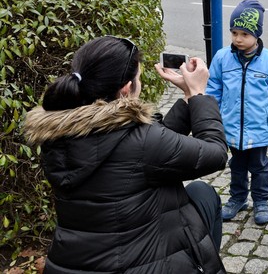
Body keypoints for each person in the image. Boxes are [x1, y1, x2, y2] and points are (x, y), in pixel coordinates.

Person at [23, 36, 228, 273]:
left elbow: (150, 147)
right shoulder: (141, 142)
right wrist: (199, 95)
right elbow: (215, 152)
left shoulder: (59, 130)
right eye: (138, 78)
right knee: (203, 192)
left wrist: (187, 99)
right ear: (126, 89)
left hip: (73, 263)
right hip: (141, 264)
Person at [206, 0, 268, 225]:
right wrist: (210, 116)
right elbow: (214, 88)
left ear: (257, 34)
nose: (237, 39)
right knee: (237, 165)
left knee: (259, 166)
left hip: (259, 127)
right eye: (234, 32)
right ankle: (237, 198)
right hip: (232, 126)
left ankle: (261, 200)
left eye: (244, 34)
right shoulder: (223, 58)